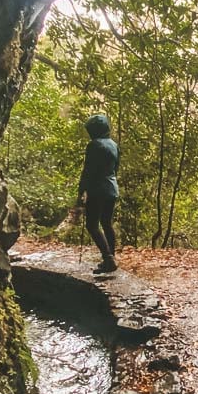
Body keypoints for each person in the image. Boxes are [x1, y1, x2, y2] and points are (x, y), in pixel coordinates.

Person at [76, 113, 120, 274]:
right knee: (106, 223)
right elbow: (115, 169)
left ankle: (108, 258)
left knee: (92, 224)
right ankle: (111, 258)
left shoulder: (94, 145)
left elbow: (88, 171)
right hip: (112, 188)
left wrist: (81, 192)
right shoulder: (114, 145)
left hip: (97, 189)